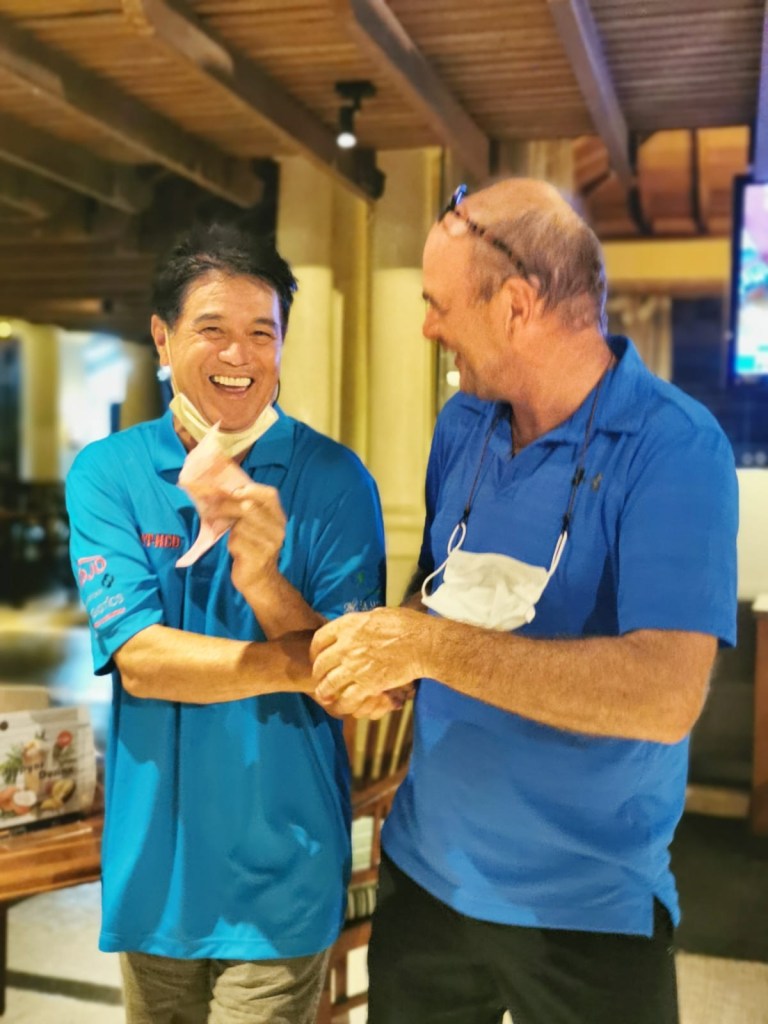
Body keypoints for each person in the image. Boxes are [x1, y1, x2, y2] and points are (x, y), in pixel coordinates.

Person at [311, 178, 738, 1024]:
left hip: (588, 910)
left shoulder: (674, 446)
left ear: (514, 306)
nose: (427, 327)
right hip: (425, 880)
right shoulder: (462, 425)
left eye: (437, 305)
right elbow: (433, 594)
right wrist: (386, 659)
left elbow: (665, 695)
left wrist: (429, 648)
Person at [65, 222, 390, 1024]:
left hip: (285, 868)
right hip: (154, 868)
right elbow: (142, 660)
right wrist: (299, 663)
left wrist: (264, 580)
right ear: (163, 339)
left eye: (261, 333)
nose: (239, 355)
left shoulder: (334, 480)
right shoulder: (109, 473)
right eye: (212, 329)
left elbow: (355, 684)